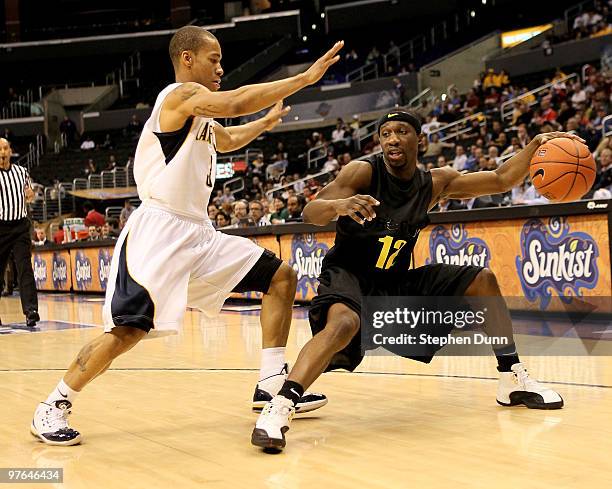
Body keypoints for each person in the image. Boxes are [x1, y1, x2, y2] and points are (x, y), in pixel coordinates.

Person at [31, 26, 344, 446]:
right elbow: (233, 103)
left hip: (199, 233)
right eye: (213, 59)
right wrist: (303, 80)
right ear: (187, 59)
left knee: (281, 276)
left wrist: (264, 123)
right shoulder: (176, 98)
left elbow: (228, 137)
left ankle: (270, 382)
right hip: (159, 234)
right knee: (127, 332)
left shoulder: (200, 116)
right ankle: (53, 404)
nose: (221, 67)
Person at [252, 110, 574, 451]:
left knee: (483, 280)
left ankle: (511, 377)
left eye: (401, 131)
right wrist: (340, 205)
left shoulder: (434, 183)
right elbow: (310, 212)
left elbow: (500, 179)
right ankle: (281, 406)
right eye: (386, 133)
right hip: (348, 275)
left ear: (420, 140)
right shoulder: (362, 172)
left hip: (394, 282)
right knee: (343, 323)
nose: (392, 139)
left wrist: (536, 145)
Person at [0, 138, 40, 328]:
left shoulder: (21, 171)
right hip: (0, 228)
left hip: (20, 227)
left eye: (5, 148)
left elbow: (29, 192)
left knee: (25, 268)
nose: (2, 152)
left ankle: (31, 311)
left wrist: (30, 194)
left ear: (10, 151)